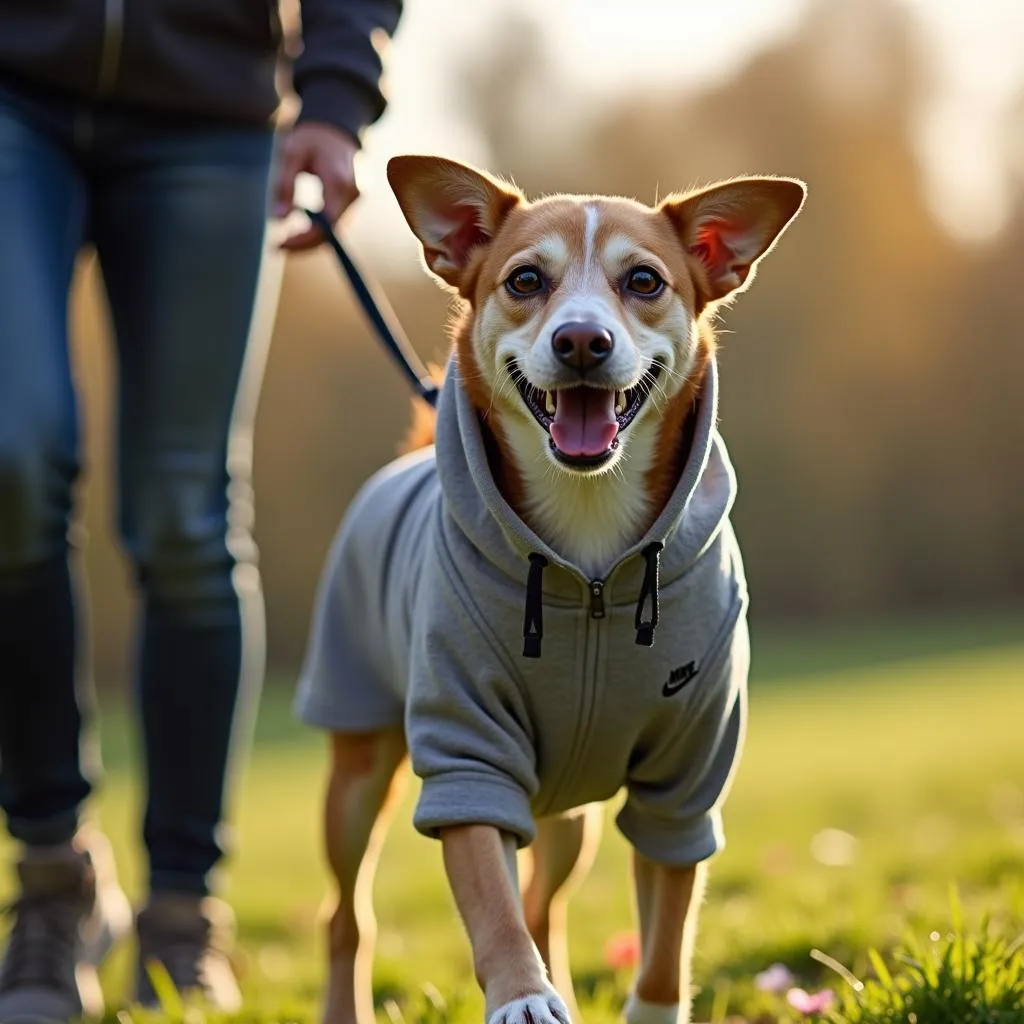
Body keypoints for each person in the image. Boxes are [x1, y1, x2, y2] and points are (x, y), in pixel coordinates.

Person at [0, 1, 403, 1020]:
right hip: (13, 82)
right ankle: (53, 880)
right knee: (11, 458)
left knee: (187, 511)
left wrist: (336, 92)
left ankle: (183, 916)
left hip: (210, 106)